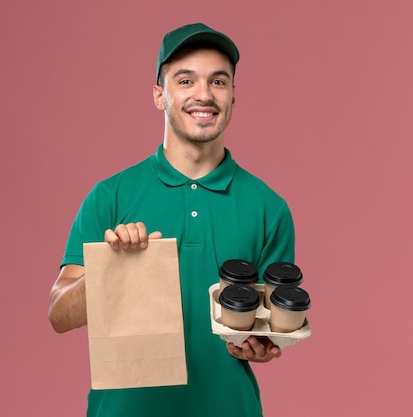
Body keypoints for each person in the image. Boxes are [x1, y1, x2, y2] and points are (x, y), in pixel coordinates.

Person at [48, 22, 295, 417]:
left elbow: (269, 330)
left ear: (233, 96)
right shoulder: (111, 197)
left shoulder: (269, 208)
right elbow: (59, 315)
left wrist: (261, 346)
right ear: (159, 95)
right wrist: (113, 266)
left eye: (218, 81)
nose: (204, 94)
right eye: (185, 80)